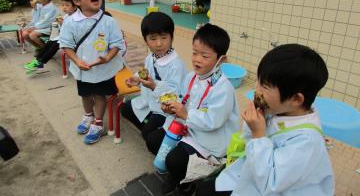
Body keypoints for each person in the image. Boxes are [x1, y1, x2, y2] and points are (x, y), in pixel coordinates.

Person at [195, 44, 334, 196]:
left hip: (270, 186)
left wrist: (259, 135)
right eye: (258, 81)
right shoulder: (279, 110)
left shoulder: (307, 142)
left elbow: (271, 182)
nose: (257, 90)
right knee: (206, 188)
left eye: (265, 86)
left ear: (295, 99)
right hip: (252, 174)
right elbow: (250, 143)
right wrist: (253, 127)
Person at [151, 23, 240, 195]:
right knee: (154, 140)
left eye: (205, 56)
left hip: (209, 139)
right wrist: (171, 107)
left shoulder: (224, 88)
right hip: (189, 127)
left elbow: (213, 121)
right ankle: (178, 174)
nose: (197, 59)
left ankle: (185, 184)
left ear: (221, 59)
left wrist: (185, 114)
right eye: (194, 52)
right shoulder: (192, 77)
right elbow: (182, 98)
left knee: (174, 159)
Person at [59, 0, 126, 144]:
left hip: (104, 68)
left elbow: (117, 44)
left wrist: (108, 58)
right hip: (82, 69)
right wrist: (76, 61)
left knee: (100, 94)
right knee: (85, 94)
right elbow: (65, 44)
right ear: (76, 1)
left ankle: (98, 123)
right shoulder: (70, 22)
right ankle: (87, 115)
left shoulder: (109, 21)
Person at [121, 12, 187, 145]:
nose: (159, 44)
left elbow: (175, 95)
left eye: (164, 38)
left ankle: (159, 131)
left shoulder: (176, 65)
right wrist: (136, 79)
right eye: (153, 39)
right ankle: (150, 125)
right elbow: (145, 72)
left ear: (171, 37)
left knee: (148, 136)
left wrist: (154, 86)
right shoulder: (150, 57)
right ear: (145, 40)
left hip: (165, 111)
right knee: (125, 109)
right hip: (150, 102)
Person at [23, 0, 77, 72]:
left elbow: (74, 30)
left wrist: (62, 24)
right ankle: (38, 61)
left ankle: (40, 62)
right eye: (63, 5)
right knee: (50, 43)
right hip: (63, 36)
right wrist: (59, 24)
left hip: (71, 39)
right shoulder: (67, 15)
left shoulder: (76, 17)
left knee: (54, 45)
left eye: (67, 5)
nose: (64, 8)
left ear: (75, 6)